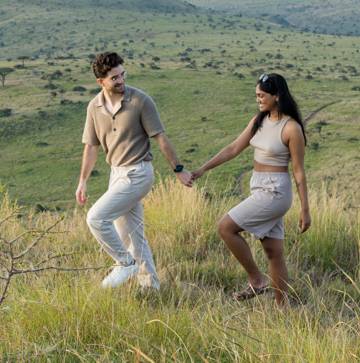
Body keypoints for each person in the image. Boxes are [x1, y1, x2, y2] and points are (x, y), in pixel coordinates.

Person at [76, 51, 194, 291]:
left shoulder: (141, 101)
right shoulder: (94, 107)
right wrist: (83, 181)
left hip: (138, 173)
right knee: (132, 237)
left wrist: (178, 169)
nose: (121, 80)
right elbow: (91, 147)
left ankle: (124, 263)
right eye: (114, 78)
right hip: (116, 174)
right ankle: (151, 290)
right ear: (101, 82)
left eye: (122, 74)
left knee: (96, 218)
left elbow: (160, 137)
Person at [190, 72, 310, 305]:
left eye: (262, 96)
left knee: (225, 227)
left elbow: (298, 172)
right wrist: (204, 168)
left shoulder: (291, 128)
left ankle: (257, 280)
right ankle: (283, 310)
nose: (258, 100)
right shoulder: (259, 121)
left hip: (275, 191)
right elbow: (234, 148)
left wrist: (305, 209)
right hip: (258, 186)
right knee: (273, 252)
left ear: (277, 96)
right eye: (256, 96)